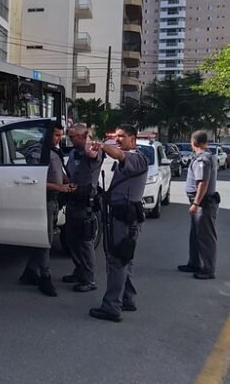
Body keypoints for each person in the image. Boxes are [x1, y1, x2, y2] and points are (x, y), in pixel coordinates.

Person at [88, 125, 148, 322]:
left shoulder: (136, 158)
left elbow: (118, 156)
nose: (118, 140)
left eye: (122, 136)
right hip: (122, 216)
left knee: (117, 261)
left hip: (125, 218)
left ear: (133, 138)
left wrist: (103, 146)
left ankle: (112, 307)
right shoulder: (130, 156)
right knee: (124, 260)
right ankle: (127, 299)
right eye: (116, 136)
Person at [19, 124, 75, 297]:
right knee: (46, 240)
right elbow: (33, 180)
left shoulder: (54, 151)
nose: (58, 138)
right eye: (56, 135)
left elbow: (58, 172)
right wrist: (59, 187)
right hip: (41, 200)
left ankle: (29, 272)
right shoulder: (38, 151)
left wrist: (67, 182)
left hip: (53, 200)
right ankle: (45, 277)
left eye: (60, 135)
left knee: (44, 239)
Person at [62, 123, 104, 293]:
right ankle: (79, 270)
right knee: (72, 240)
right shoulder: (74, 153)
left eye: (72, 137)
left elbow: (92, 154)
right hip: (73, 199)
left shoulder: (93, 152)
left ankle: (89, 279)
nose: (70, 140)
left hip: (85, 202)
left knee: (85, 243)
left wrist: (88, 138)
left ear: (83, 136)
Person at [178, 130, 220, 280]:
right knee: (195, 235)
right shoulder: (204, 156)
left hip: (203, 203)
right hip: (201, 202)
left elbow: (203, 182)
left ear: (193, 142)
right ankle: (194, 263)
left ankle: (208, 269)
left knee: (205, 237)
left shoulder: (203, 159)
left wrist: (196, 203)